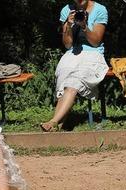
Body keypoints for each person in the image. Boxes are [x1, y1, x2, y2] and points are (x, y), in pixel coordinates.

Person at [40, 0, 108, 132]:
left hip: (93, 54)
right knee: (64, 76)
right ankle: (58, 124)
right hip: (72, 53)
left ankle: (54, 121)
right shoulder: (66, 10)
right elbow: (67, 44)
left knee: (74, 82)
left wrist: (84, 26)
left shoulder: (100, 10)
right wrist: (69, 25)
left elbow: (96, 42)